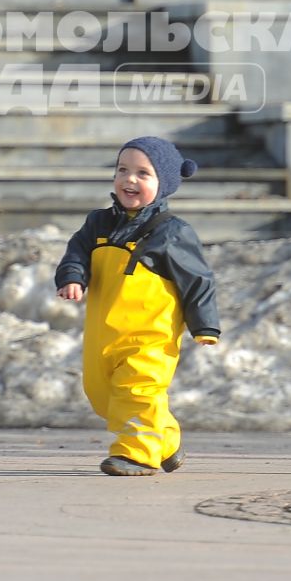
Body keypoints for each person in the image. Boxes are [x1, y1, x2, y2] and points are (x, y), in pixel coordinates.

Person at [54, 136, 220, 476]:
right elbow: (76, 253)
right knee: (102, 395)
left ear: (163, 184)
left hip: (150, 336)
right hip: (105, 332)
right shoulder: (97, 224)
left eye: (143, 173)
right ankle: (166, 441)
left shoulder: (171, 232)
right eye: (123, 170)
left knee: (137, 389)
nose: (130, 179)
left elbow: (198, 279)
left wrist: (205, 326)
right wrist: (72, 276)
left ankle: (137, 454)